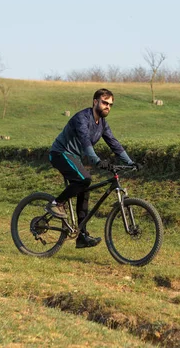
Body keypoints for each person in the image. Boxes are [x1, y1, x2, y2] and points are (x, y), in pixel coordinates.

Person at [47, 88, 138, 248]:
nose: (107, 107)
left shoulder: (102, 124)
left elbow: (114, 143)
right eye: (104, 102)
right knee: (85, 179)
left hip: (74, 157)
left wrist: (130, 162)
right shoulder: (82, 118)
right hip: (60, 153)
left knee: (84, 188)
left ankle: (81, 236)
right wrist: (97, 161)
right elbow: (85, 141)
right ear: (95, 102)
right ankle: (56, 203)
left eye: (110, 104)